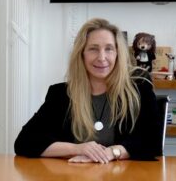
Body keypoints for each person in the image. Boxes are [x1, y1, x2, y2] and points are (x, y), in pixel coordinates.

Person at [14, 17, 161, 162]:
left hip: (126, 180)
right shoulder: (61, 94)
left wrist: (113, 152)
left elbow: (153, 143)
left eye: (109, 49)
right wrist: (78, 149)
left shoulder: (139, 88)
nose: (102, 57)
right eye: (93, 49)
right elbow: (25, 142)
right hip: (76, 180)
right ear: (81, 54)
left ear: (118, 54)